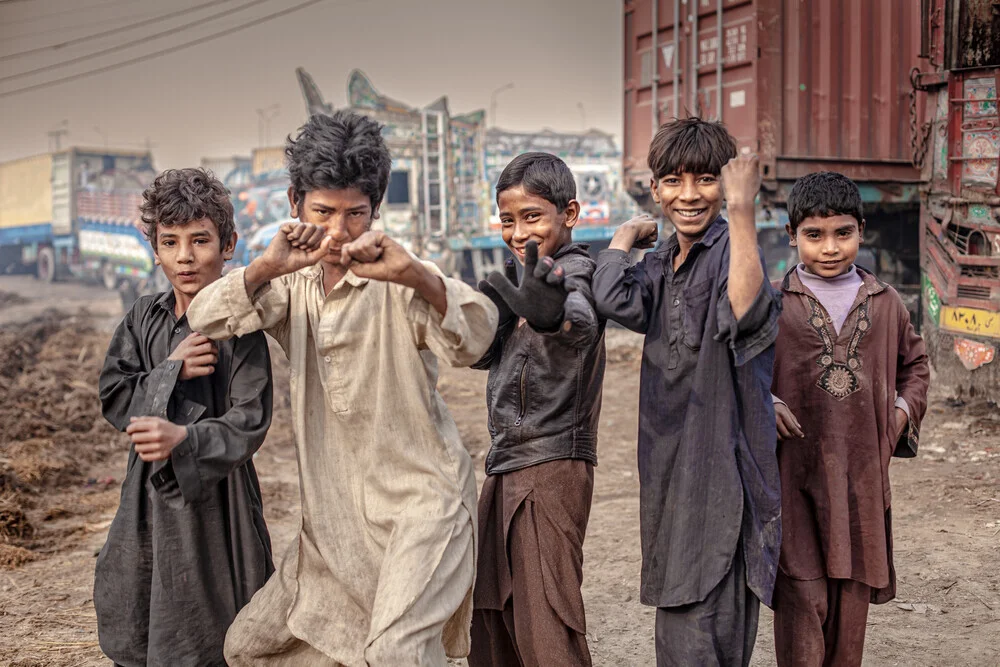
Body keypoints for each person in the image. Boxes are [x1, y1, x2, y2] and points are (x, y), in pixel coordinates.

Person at [186, 110, 499, 666]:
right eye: (322, 211)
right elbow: (206, 317)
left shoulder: (398, 276)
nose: (337, 231)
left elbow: (476, 336)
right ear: (294, 204)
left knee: (398, 653)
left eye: (355, 214)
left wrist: (415, 276)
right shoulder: (290, 284)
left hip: (420, 511)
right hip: (333, 529)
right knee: (248, 650)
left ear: (374, 210)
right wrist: (265, 266)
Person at [592, 117, 782, 666]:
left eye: (704, 179)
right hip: (671, 467)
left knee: (704, 626)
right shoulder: (662, 264)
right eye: (673, 181)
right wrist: (625, 238)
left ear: (725, 186)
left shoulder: (731, 251)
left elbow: (746, 312)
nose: (689, 195)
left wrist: (743, 212)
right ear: (655, 190)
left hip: (721, 469)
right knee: (678, 621)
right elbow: (614, 299)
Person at [96, 168, 274, 666]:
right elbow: (113, 394)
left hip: (220, 500)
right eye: (170, 241)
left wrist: (183, 437)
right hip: (146, 496)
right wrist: (170, 369)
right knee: (140, 606)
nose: (185, 256)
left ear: (229, 243)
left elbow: (250, 420)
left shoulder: (241, 329)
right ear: (154, 247)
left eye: (200, 240)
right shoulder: (143, 317)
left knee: (217, 626)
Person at [770, 171, 930, 667]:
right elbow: (741, 370)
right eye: (814, 235)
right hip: (794, 477)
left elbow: (916, 366)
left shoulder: (885, 304)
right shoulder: (774, 302)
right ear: (792, 234)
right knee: (803, 599)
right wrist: (764, 401)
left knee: (851, 606)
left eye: (843, 233)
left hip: (861, 475)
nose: (830, 247)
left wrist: (900, 414)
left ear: (861, 230)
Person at [468, 152, 606, 667]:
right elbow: (479, 353)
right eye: (508, 220)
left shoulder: (574, 272)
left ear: (568, 214)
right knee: (500, 617)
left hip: (551, 466)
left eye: (532, 217)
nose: (517, 232)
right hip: (506, 463)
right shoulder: (519, 283)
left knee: (548, 622)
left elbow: (579, 321)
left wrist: (551, 318)